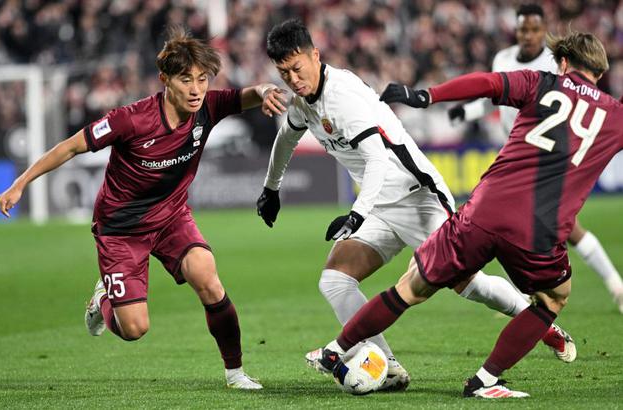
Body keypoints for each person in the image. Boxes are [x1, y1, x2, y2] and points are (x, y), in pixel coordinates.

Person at [256, 19, 575, 392]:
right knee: (335, 279)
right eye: (284, 73)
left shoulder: (342, 95)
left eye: (297, 68)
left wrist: (356, 214)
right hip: (379, 205)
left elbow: (377, 158)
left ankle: (540, 324)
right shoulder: (303, 103)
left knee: (468, 285)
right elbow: (286, 137)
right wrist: (271, 188)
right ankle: (387, 366)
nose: (293, 79)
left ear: (315, 55)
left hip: (418, 198)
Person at [314, 30, 620, 398]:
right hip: (538, 228)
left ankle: (335, 349)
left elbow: (486, 83)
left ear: (565, 63)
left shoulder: (540, 82)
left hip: (484, 209)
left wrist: (428, 95)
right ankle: (484, 380)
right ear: (600, 72)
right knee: (553, 298)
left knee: (411, 287)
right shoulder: (615, 116)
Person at [0, 28, 288, 390]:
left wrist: (267, 91)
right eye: (186, 80)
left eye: (202, 79)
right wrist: (21, 182)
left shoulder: (208, 107)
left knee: (208, 277)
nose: (196, 89)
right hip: (121, 230)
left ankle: (235, 372)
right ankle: (103, 299)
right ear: (165, 80)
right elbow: (71, 146)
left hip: (171, 217)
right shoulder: (131, 119)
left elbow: (251, 94)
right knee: (134, 328)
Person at [449, 4, 623, 313]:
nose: (528, 35)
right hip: (517, 155)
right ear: (515, 31)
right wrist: (468, 110)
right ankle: (540, 300)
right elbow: (497, 96)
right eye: (522, 29)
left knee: (562, 230)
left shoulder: (556, 64)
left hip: (549, 161)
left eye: (534, 29)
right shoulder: (503, 58)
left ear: (544, 31)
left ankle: (613, 285)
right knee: (536, 231)